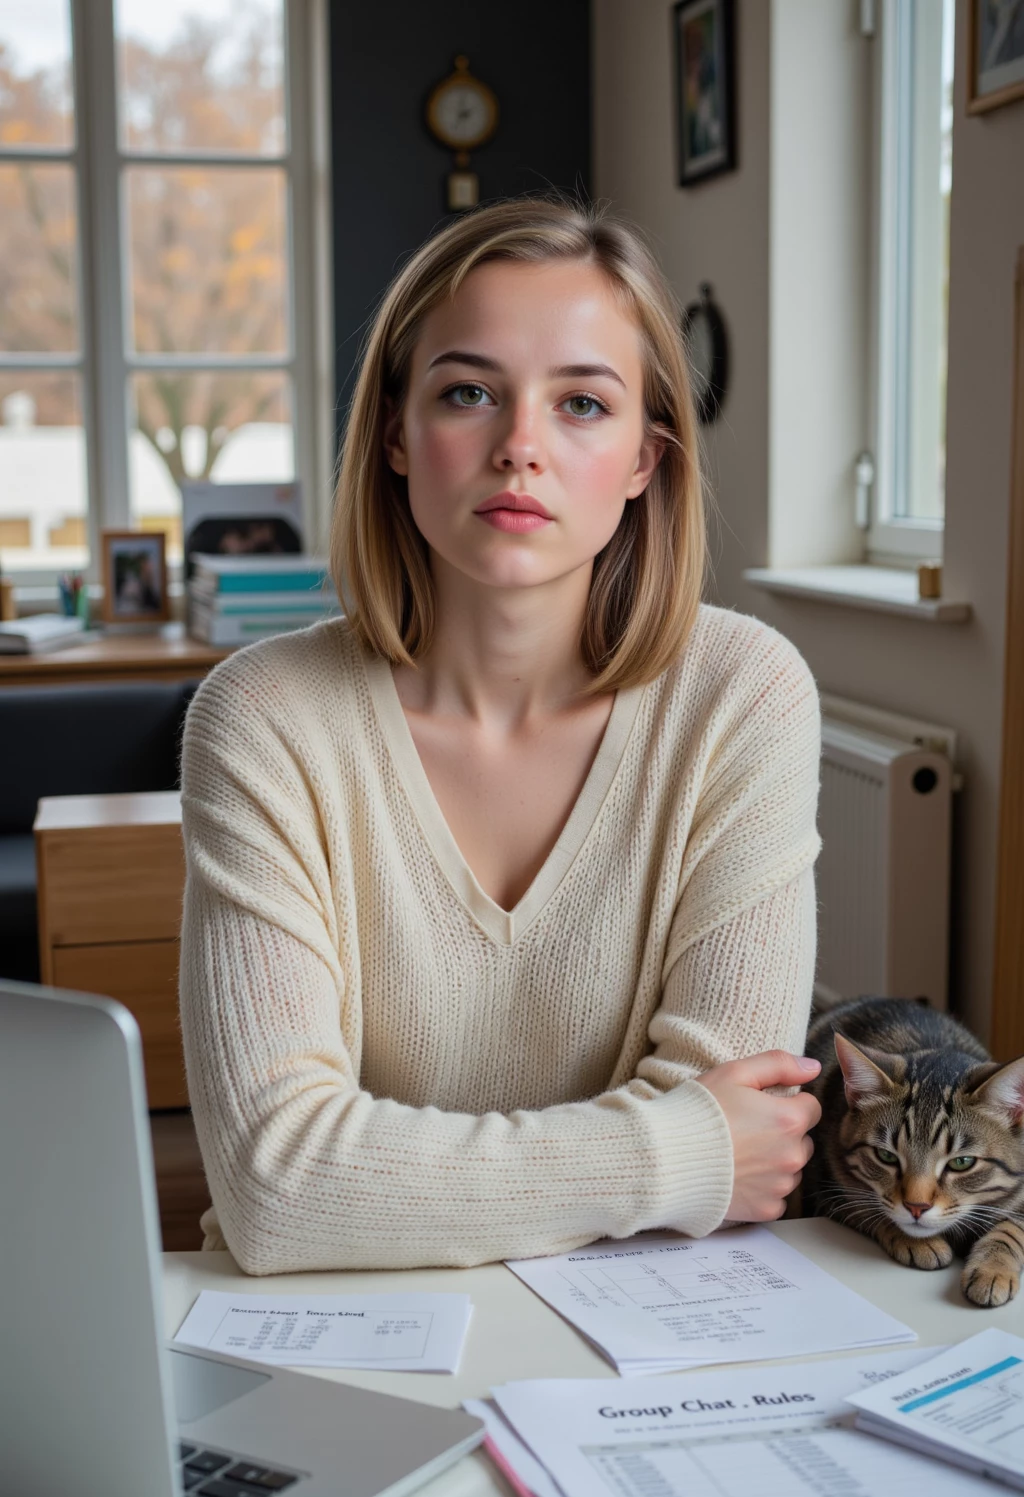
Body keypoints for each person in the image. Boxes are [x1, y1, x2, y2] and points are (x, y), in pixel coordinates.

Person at [180, 196, 822, 1277]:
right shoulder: (262, 715)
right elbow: (275, 1187)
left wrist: (380, 1180)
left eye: (581, 403)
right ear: (394, 433)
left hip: (645, 1324)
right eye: (469, 393)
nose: (519, 447)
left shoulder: (742, 694)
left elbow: (745, 1142)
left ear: (642, 461)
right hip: (329, 1332)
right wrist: (675, 1151)